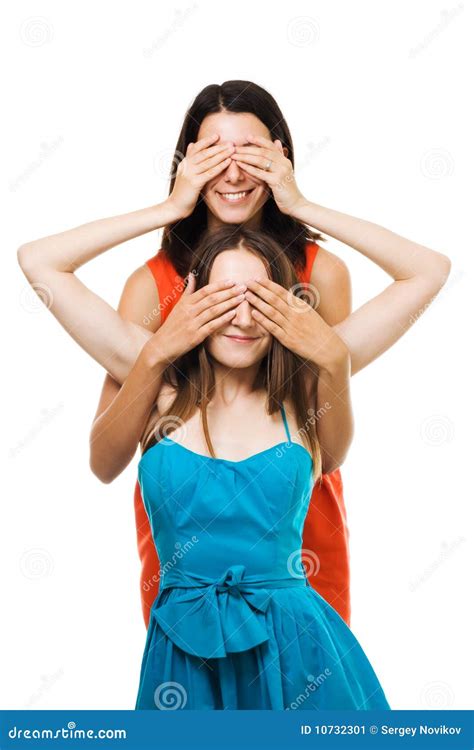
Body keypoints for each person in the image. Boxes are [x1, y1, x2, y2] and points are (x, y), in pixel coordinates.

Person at [17, 81, 450, 709]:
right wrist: (169, 212)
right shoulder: (156, 324)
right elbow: (40, 267)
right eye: (212, 150)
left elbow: (421, 281)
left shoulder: (307, 337)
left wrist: (303, 211)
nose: (240, 317)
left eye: (250, 149)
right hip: (186, 559)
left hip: (293, 540)